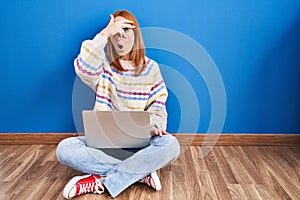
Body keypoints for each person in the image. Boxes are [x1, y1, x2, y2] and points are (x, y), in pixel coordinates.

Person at [56, 10, 180, 199]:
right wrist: (105, 33)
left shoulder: (151, 68)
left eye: (125, 32)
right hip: (106, 144)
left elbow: (158, 105)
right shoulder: (103, 66)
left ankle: (101, 180)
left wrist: (155, 126)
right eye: (116, 34)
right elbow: (83, 68)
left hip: (142, 143)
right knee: (64, 149)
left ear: (135, 35)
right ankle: (138, 172)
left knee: (171, 144)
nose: (120, 38)